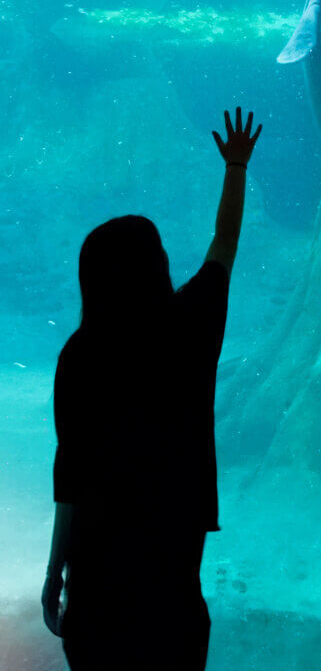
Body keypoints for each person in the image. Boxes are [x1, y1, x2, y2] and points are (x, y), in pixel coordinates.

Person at [41, 108, 262, 671]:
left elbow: (69, 474)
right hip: (171, 568)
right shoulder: (189, 327)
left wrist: (52, 574)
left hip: (96, 581)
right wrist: (235, 165)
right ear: (158, 268)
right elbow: (224, 243)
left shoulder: (80, 354)